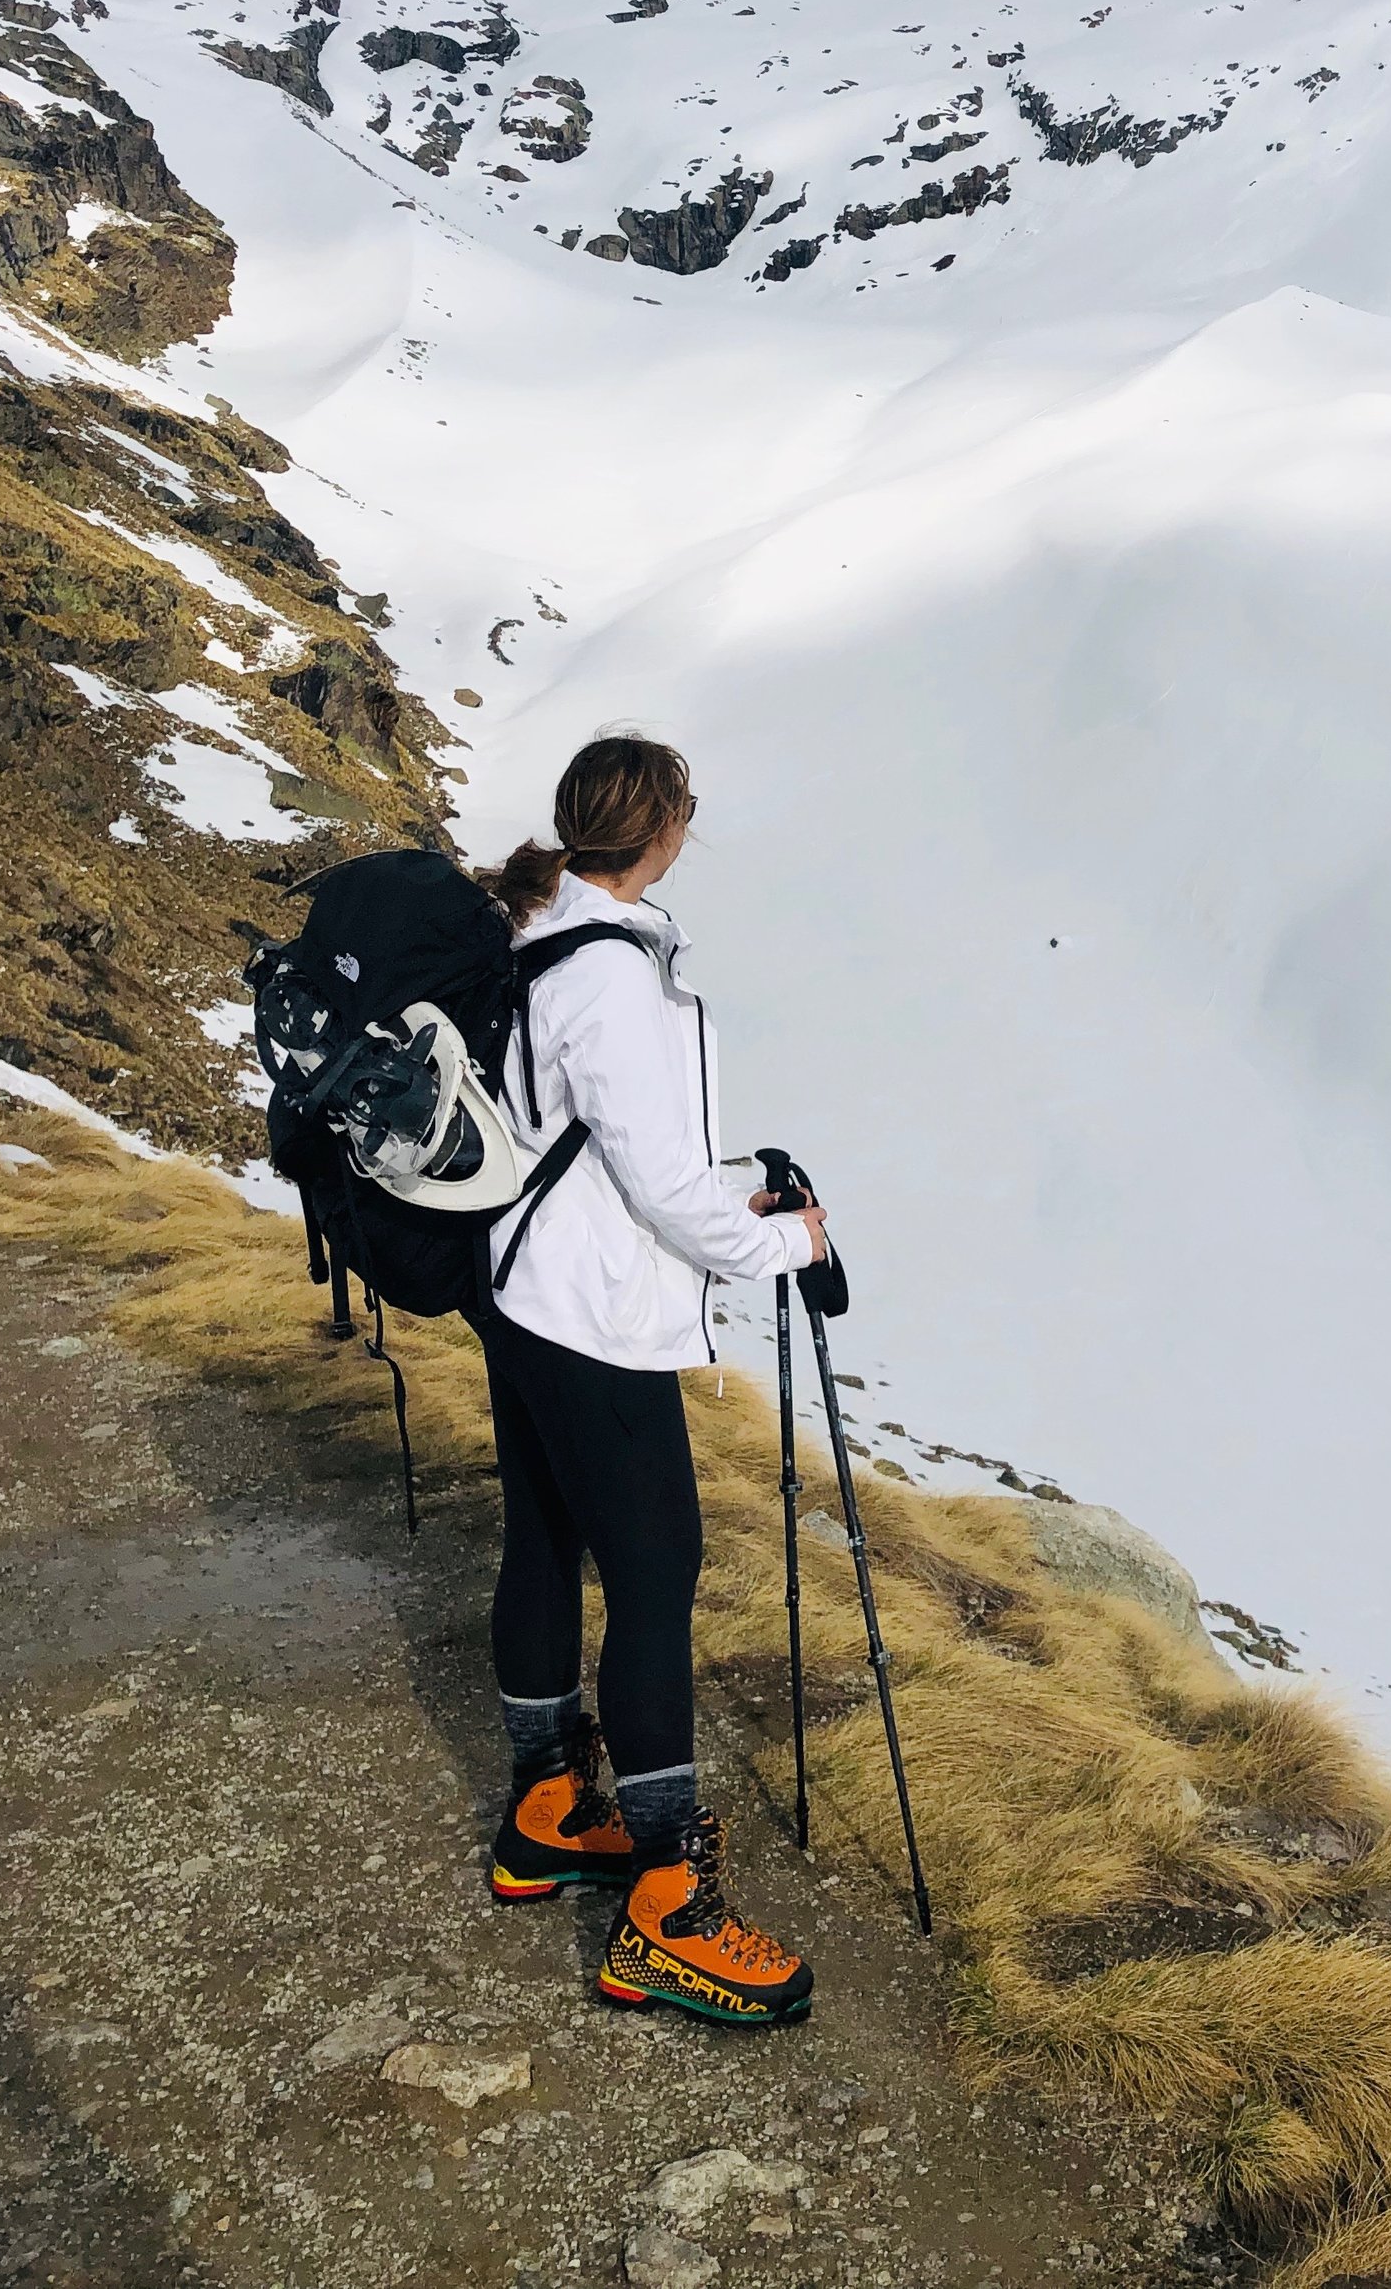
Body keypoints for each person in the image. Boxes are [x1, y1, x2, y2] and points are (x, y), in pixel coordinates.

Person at [470, 728, 828, 2026]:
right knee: (658, 1575)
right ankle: (669, 1912)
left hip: (517, 1287)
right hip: (594, 1318)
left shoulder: (534, 924)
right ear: (666, 826)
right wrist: (784, 1236)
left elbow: (597, 1139)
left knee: (543, 1540)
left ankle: (547, 1810)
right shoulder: (615, 978)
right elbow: (665, 1183)